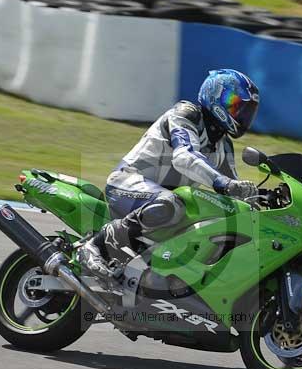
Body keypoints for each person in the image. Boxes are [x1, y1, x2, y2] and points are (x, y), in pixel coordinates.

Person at [77, 69, 260, 278]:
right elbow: (185, 156)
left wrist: (256, 201)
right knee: (170, 204)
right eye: (235, 104)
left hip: (167, 202)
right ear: (214, 95)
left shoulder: (223, 144)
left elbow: (232, 192)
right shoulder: (185, 114)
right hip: (127, 183)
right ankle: (96, 247)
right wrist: (223, 182)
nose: (241, 114)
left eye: (246, 109)